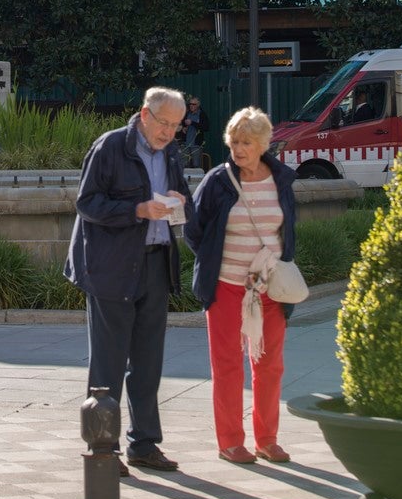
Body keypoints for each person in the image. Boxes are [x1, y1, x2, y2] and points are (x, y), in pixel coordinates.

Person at [64, 87, 192, 475]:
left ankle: (145, 445)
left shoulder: (170, 153)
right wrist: (136, 208)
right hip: (110, 268)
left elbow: (183, 197)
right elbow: (87, 203)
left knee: (149, 362)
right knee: (108, 363)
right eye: (164, 123)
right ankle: (102, 449)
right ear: (145, 114)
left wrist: (179, 199)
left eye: (176, 125)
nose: (169, 132)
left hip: (155, 264)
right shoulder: (110, 147)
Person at [184, 107, 297, 465]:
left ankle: (267, 438)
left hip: (271, 286)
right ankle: (231, 441)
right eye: (234, 142)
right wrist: (215, 258)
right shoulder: (217, 181)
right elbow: (193, 227)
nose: (239, 149)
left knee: (269, 364)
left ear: (263, 143)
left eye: (247, 142)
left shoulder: (281, 179)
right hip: (227, 286)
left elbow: (287, 228)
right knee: (228, 363)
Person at [181, 95, 209, 169]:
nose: (191, 106)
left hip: (196, 145)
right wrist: (183, 128)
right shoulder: (187, 114)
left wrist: (192, 123)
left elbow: (206, 127)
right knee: (184, 165)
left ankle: (197, 180)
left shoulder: (202, 114)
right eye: (190, 104)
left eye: (194, 104)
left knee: (196, 165)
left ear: (198, 105)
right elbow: (182, 124)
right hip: (186, 144)